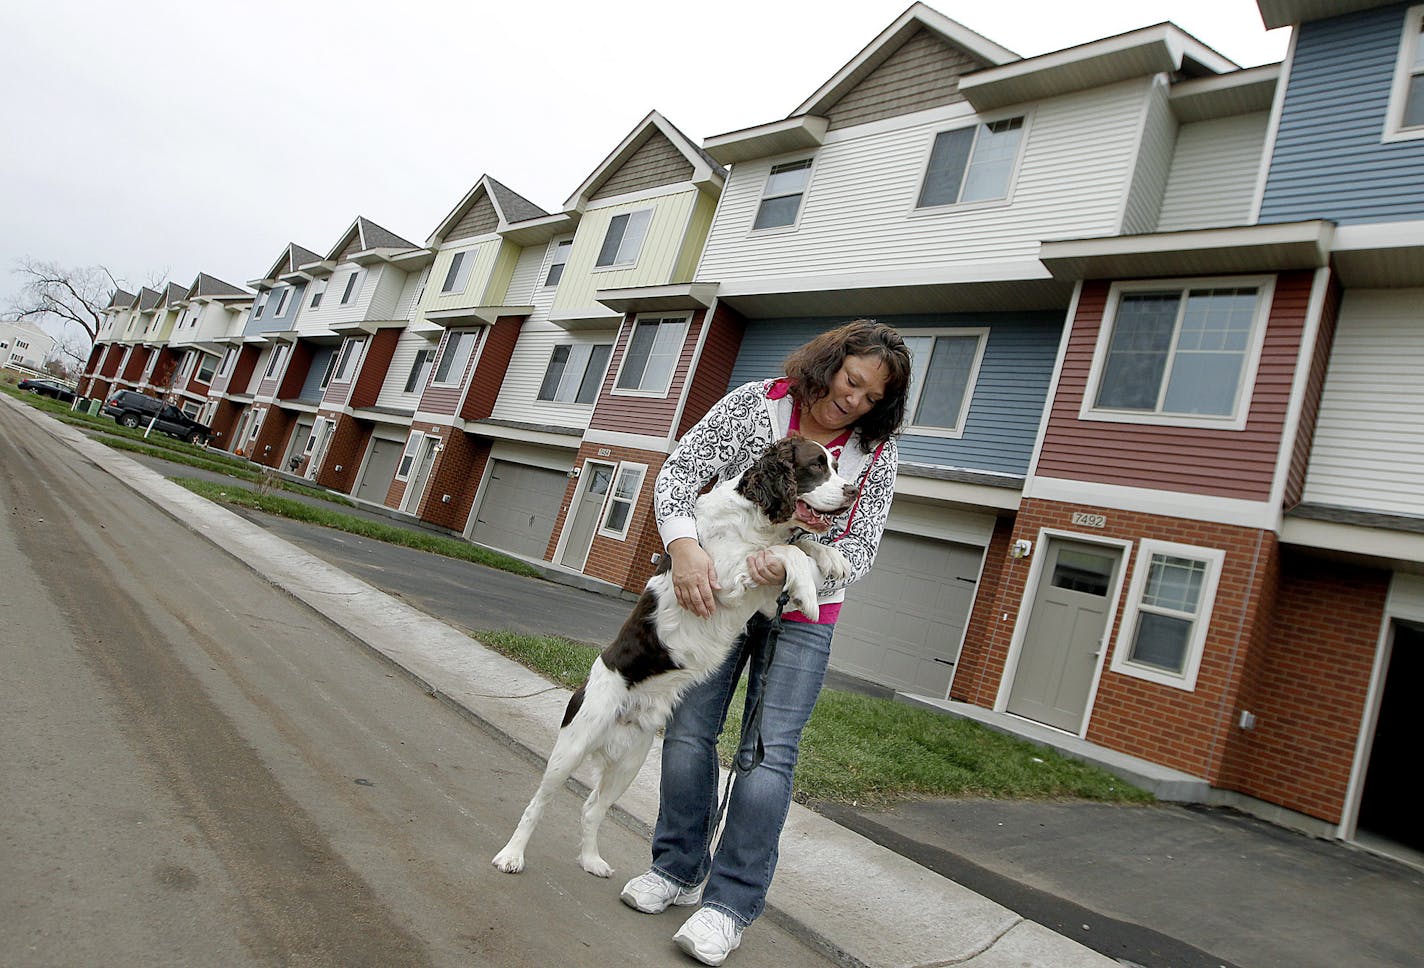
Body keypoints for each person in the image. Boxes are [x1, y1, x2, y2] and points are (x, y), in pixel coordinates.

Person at [621, 319, 912, 965]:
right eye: (851, 382)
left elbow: (859, 548)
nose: (855, 402)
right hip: (718, 594)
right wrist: (685, 547)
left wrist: (790, 561)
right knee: (690, 732)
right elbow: (678, 475)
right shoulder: (756, 405)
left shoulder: (876, 452)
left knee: (767, 756)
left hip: (805, 614)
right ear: (829, 364)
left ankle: (728, 906)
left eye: (872, 397)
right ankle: (676, 870)